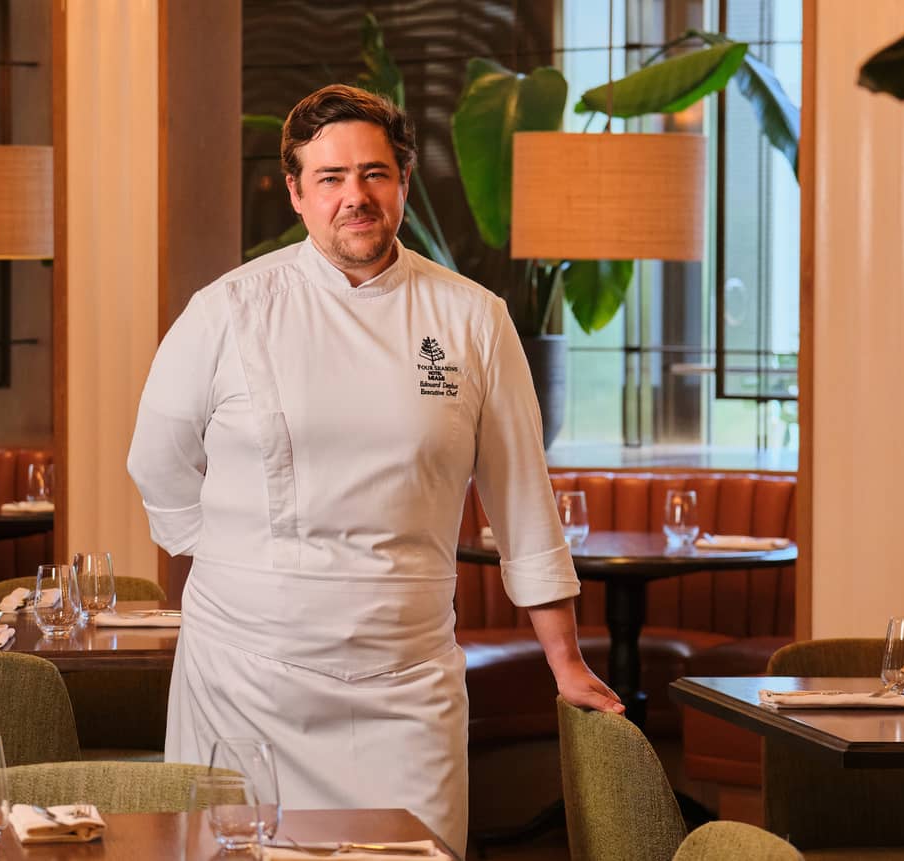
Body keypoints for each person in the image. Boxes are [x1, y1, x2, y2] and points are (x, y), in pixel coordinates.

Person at [126, 84, 621, 854]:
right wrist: (239, 560)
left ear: (403, 183)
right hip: (246, 677)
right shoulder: (227, 310)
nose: (354, 197)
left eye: (374, 174)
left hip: (407, 677)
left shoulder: (472, 318)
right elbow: (156, 461)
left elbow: (521, 494)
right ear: (296, 192)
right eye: (329, 179)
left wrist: (566, 660)